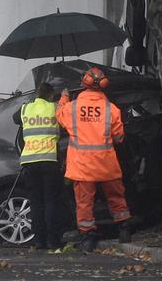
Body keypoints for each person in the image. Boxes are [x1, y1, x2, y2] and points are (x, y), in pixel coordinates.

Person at [56, 67, 132, 252]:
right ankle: (124, 229)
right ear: (104, 85)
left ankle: (88, 236)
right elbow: (119, 138)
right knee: (116, 198)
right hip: (106, 164)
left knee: (84, 204)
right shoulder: (111, 109)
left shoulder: (71, 108)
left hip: (82, 167)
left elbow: (59, 116)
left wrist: (64, 97)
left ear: (83, 83)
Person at [12, 82, 63, 250]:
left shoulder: (26, 109)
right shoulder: (54, 108)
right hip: (49, 160)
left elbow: (14, 118)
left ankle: (38, 240)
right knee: (50, 201)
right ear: (50, 95)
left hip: (30, 161)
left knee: (36, 201)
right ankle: (52, 240)